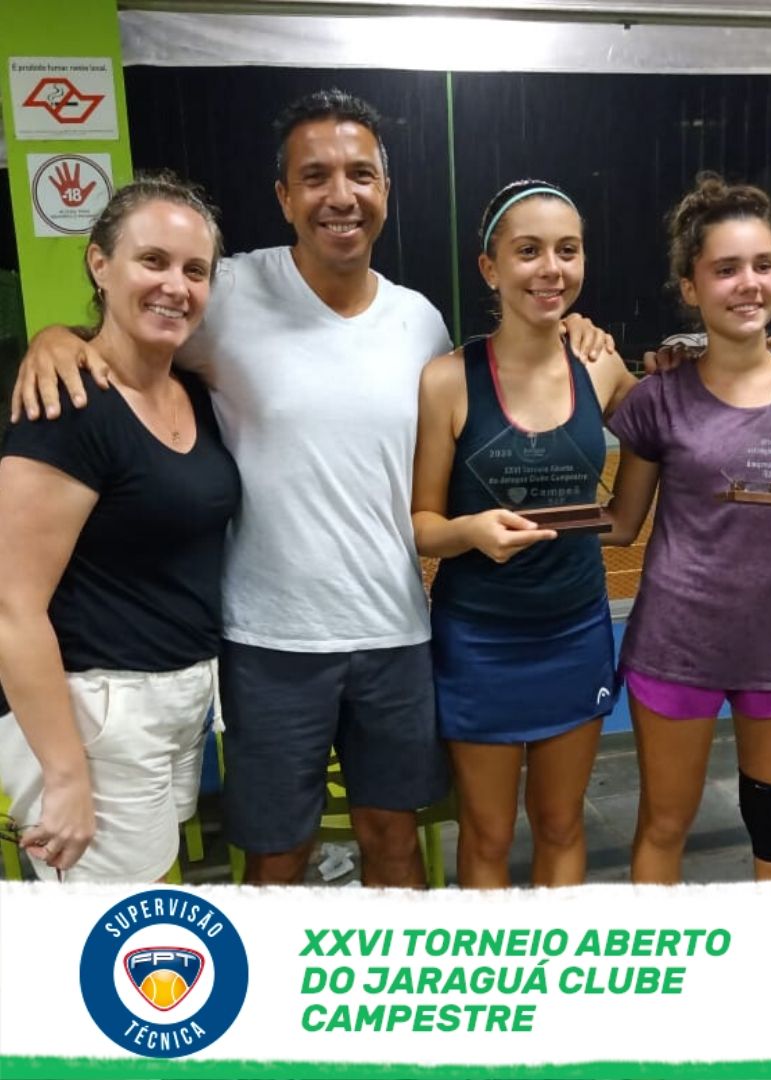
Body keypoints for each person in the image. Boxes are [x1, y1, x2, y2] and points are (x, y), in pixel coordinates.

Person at [11, 91, 613, 887]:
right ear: (284, 196)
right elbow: (128, 333)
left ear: (386, 190)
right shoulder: (226, 293)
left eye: (361, 174)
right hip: (268, 644)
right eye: (315, 176)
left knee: (394, 840)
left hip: (396, 632)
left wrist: (579, 333)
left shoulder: (421, 323)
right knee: (277, 855)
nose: (341, 195)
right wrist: (56, 337)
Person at [603, 174, 771, 884]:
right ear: (691, 285)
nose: (748, 284)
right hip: (676, 646)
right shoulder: (660, 394)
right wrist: (519, 513)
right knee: (664, 825)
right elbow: (621, 523)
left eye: (763, 265)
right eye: (726, 268)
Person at [0, 174, 240, 881]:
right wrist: (65, 772)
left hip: (178, 699)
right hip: (94, 711)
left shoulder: (191, 391)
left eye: (195, 270)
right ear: (100, 265)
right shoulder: (66, 406)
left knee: (146, 897)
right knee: (112, 927)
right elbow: (13, 608)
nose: (175, 286)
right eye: (152, 261)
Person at [412, 180, 638, 888]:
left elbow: (672, 426)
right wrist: (470, 531)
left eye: (568, 250)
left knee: (561, 824)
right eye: (529, 251)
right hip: (478, 640)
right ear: (491, 268)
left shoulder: (601, 364)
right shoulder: (447, 380)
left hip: (574, 631)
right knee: (486, 833)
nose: (551, 269)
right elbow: (423, 526)